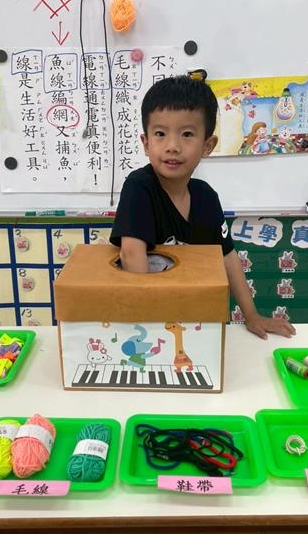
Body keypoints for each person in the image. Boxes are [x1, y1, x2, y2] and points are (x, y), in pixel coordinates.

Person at [110, 76, 295, 339]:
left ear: (208, 146)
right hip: (147, 322)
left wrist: (252, 316)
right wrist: (149, 324)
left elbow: (228, 258)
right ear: (146, 143)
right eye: (160, 134)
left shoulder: (206, 197)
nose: (172, 147)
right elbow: (131, 254)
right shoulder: (139, 187)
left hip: (192, 316)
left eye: (187, 134)